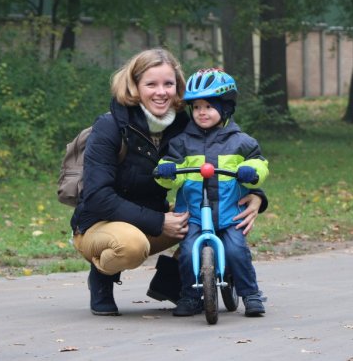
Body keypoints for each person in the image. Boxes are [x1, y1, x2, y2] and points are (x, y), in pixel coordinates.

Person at [70, 49, 268, 316]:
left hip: (155, 217)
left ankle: (178, 287)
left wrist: (256, 195)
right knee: (132, 245)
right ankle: (101, 278)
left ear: (178, 88)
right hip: (101, 222)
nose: (161, 92)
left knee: (205, 220)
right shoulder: (111, 127)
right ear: (135, 86)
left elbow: (231, 153)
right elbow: (97, 196)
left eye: (168, 84)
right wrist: (159, 221)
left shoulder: (184, 126)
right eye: (151, 84)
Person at [155, 68, 269, 317]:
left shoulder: (241, 141)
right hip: (195, 213)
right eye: (196, 107)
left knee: (236, 250)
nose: (201, 112)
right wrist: (166, 173)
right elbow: (174, 172)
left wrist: (251, 170)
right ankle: (191, 296)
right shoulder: (182, 142)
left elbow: (259, 163)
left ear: (226, 107)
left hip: (228, 212)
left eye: (208, 106)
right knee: (187, 252)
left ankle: (250, 294)